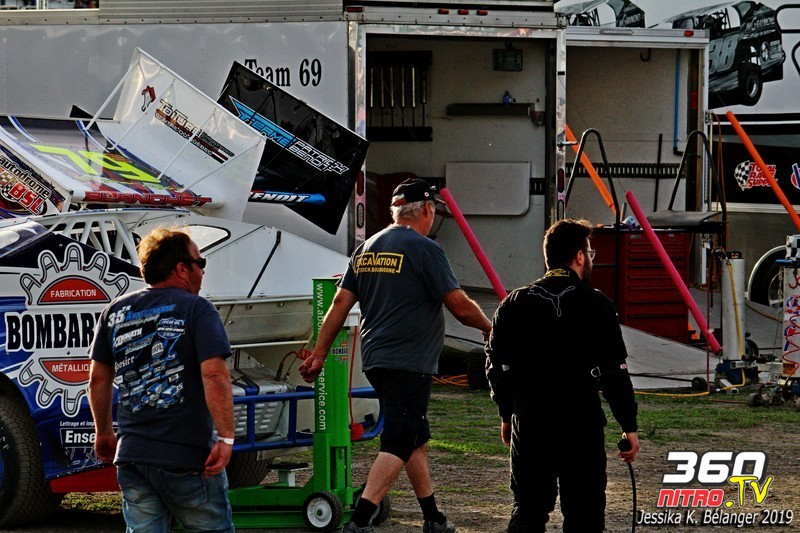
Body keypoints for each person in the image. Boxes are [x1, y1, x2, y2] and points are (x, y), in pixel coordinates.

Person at [299, 178, 492, 533]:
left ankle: (433, 518)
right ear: (427, 209)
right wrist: (490, 328)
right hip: (410, 361)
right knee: (399, 442)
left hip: (377, 359)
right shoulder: (426, 249)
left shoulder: (367, 248)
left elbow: (340, 303)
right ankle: (359, 521)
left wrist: (319, 353)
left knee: (414, 438)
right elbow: (459, 305)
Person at [484, 218, 639, 532]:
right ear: (580, 257)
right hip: (580, 424)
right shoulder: (597, 304)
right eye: (590, 253)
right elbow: (614, 371)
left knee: (528, 510)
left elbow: (496, 365)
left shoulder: (513, 303)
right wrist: (628, 425)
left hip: (530, 422)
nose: (590, 259)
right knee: (585, 514)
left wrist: (507, 413)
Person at [88, 227, 235, 533]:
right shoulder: (197, 309)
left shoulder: (116, 311)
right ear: (181, 269)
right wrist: (226, 438)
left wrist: (103, 433)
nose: (202, 271)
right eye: (200, 263)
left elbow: (98, 380)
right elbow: (214, 374)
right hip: (187, 455)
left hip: (133, 455)